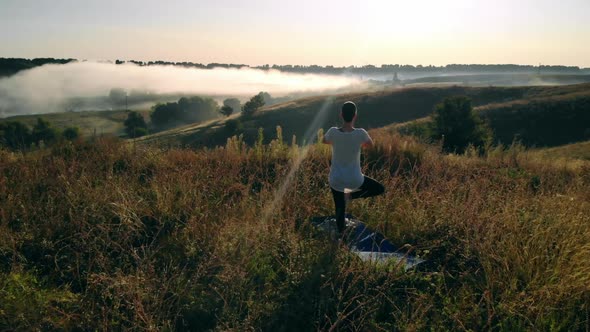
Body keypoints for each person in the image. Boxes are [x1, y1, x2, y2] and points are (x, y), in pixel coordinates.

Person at [322, 101, 385, 234]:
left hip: (336, 179)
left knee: (339, 208)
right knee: (379, 189)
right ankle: (350, 196)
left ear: (341, 115)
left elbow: (325, 141)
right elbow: (370, 145)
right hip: (355, 180)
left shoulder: (333, 132)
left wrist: (339, 142)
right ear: (355, 116)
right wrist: (355, 144)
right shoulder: (360, 134)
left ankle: (341, 238)